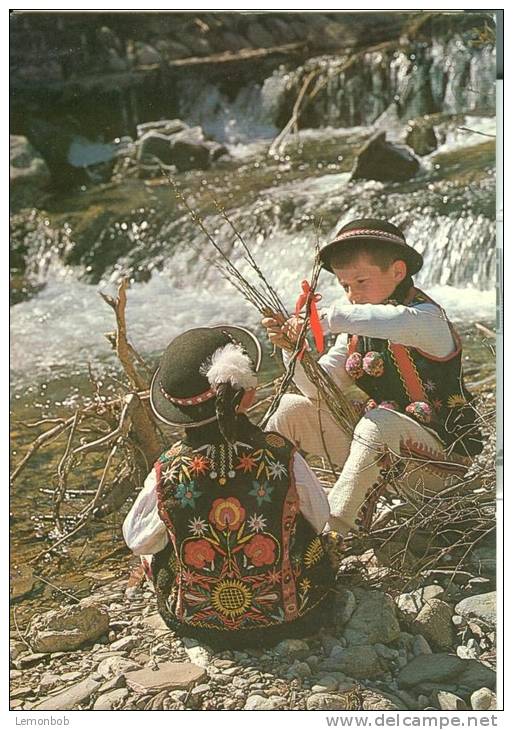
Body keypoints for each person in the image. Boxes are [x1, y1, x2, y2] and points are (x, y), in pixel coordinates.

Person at [122, 325, 340, 649]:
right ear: (247, 394)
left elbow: (136, 539)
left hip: (196, 623)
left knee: (158, 543)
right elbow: (320, 516)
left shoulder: (167, 469)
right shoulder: (279, 453)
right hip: (295, 618)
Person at [262, 218, 483, 536]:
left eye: (361, 282)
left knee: (379, 420)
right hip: (385, 462)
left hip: (441, 471)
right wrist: (293, 350)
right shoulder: (353, 329)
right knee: (289, 409)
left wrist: (323, 318)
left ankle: (332, 535)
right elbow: (318, 391)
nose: (353, 295)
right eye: (345, 287)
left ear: (397, 272)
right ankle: (266, 518)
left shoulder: (426, 318)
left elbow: (392, 321)